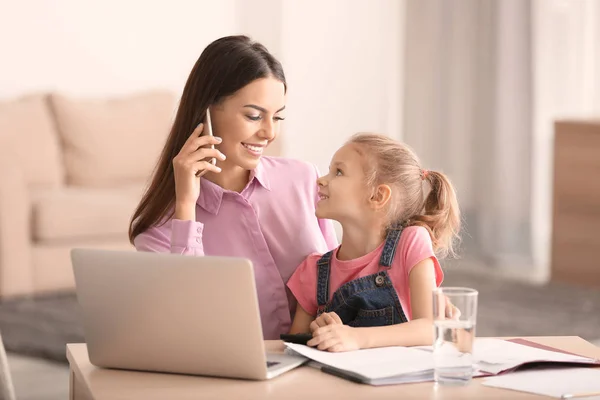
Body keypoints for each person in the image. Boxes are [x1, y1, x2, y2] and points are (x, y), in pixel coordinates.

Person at [128, 35, 338, 340]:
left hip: (317, 362)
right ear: (206, 111)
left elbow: (338, 277)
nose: (269, 132)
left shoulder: (305, 179)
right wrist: (186, 205)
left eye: (277, 117)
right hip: (227, 373)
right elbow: (187, 319)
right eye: (254, 116)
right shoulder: (161, 225)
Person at [287, 133, 461, 352]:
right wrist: (318, 333)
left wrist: (356, 338)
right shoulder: (312, 270)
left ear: (377, 196)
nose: (320, 180)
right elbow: (293, 348)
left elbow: (431, 328)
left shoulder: (411, 242)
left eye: (338, 172)